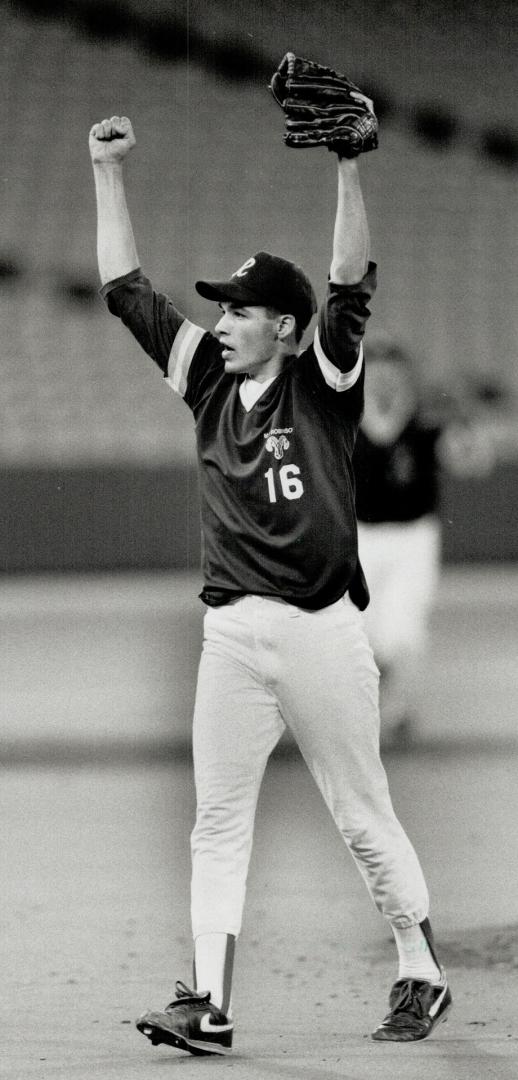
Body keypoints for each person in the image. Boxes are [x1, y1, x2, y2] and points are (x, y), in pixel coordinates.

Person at [89, 109, 451, 1055]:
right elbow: (127, 292)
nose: (221, 320)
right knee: (216, 818)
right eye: (222, 307)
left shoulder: (323, 382)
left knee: (359, 809)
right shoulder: (209, 379)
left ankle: (419, 965)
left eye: (240, 309)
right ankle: (208, 1001)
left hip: (321, 631)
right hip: (231, 638)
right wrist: (105, 173)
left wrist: (346, 163)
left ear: (285, 328)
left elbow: (349, 283)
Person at [354, 338, 494, 746]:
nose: (384, 383)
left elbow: (473, 460)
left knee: (404, 627)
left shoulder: (425, 427)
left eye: (392, 375)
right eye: (376, 374)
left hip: (413, 538)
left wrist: (470, 417)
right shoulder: (346, 424)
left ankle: (400, 710)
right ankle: (372, 703)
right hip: (361, 538)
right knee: (362, 631)